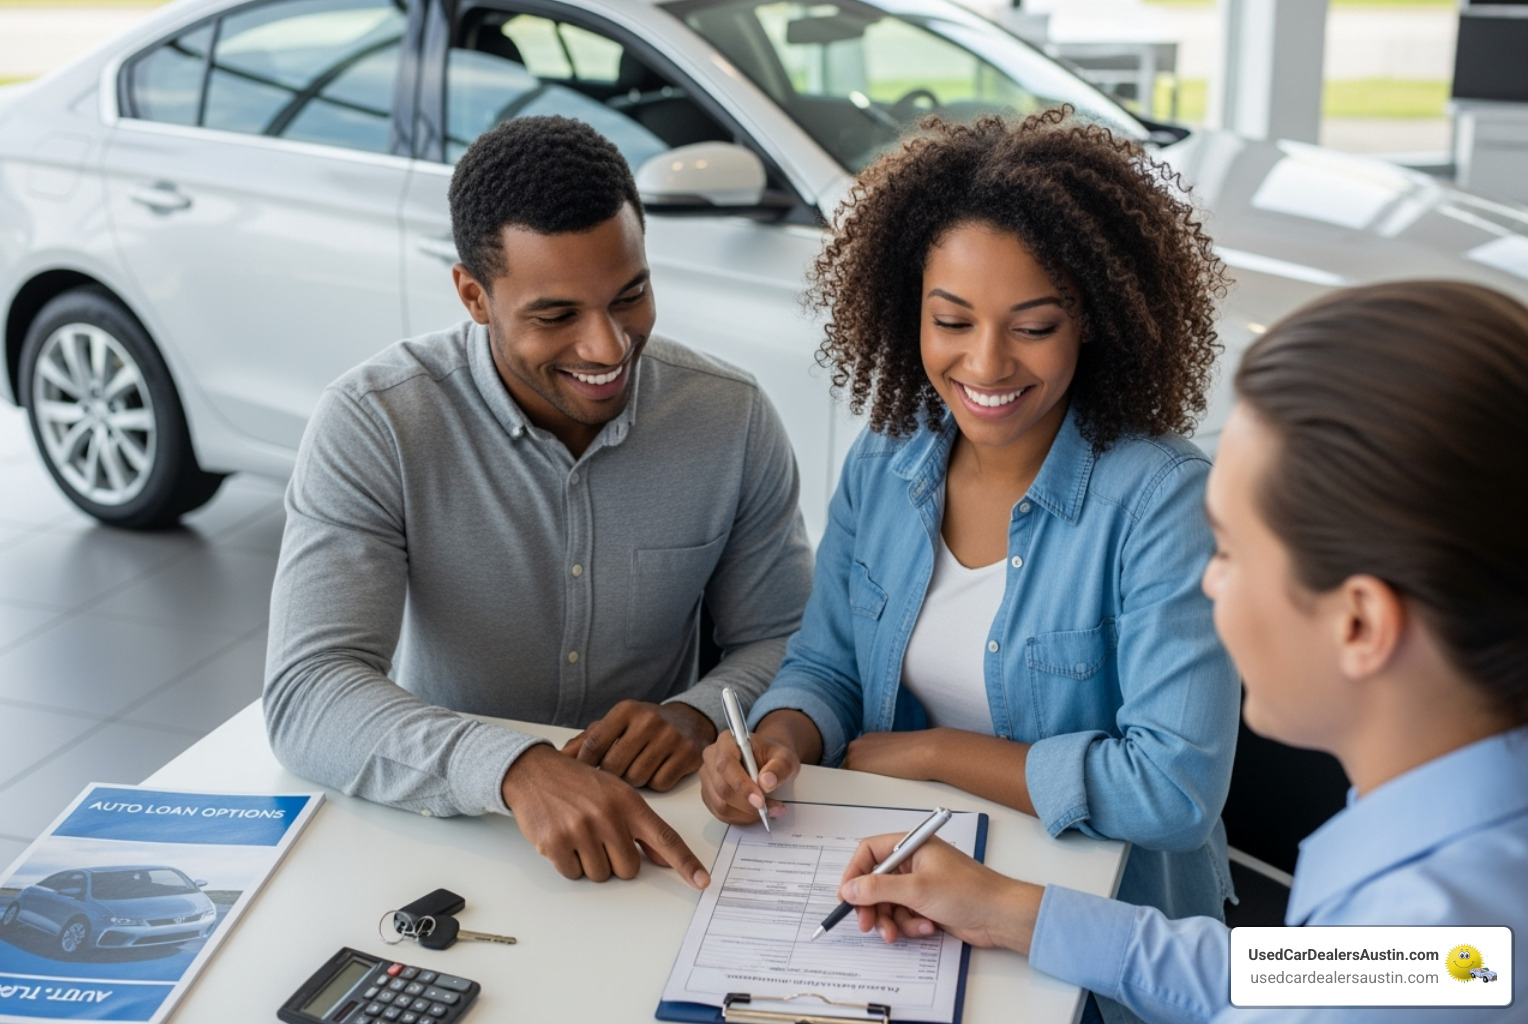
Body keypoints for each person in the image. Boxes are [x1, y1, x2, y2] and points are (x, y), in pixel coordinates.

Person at [832, 280, 1528, 1024]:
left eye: (1228, 551)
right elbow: (1342, 973)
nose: (1209, 583)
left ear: (1359, 624)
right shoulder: (1460, 913)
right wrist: (1009, 909)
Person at [700, 109, 1241, 1007]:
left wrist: (932, 754)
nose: (985, 364)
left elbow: (1173, 789)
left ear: (1092, 322)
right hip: (907, 902)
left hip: (1097, 946)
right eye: (951, 319)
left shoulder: (1161, 499)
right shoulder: (888, 457)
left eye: (1033, 326)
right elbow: (827, 664)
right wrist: (778, 741)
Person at [263, 116, 812, 888]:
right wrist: (513, 768)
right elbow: (308, 692)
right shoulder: (376, 421)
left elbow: (790, 638)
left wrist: (695, 714)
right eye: (556, 316)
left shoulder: (732, 417)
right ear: (473, 295)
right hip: (447, 831)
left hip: (663, 836)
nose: (608, 347)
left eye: (632, 296)